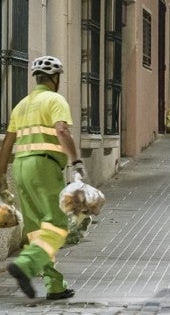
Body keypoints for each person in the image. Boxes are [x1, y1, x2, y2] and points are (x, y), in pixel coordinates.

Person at [0, 55, 85, 300]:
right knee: (57, 225)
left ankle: (54, 285)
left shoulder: (22, 104)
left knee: (37, 229)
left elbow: (8, 142)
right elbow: (61, 130)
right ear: (55, 78)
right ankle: (25, 264)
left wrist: (1, 176)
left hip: (20, 167)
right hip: (43, 166)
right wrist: (76, 161)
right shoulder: (55, 99)